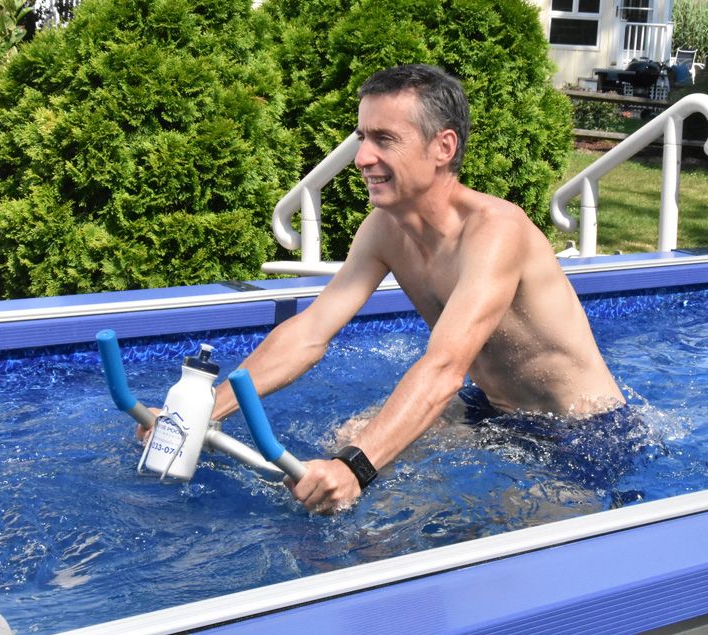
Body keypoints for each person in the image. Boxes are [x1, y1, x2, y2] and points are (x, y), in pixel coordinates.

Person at [211, 63, 623, 513]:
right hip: (491, 411)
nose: (363, 157)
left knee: (518, 518)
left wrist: (356, 469)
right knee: (347, 439)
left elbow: (446, 366)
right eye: (362, 138)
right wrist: (202, 410)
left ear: (443, 147)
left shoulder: (495, 230)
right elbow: (310, 332)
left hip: (582, 433)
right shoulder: (384, 230)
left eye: (384, 139)